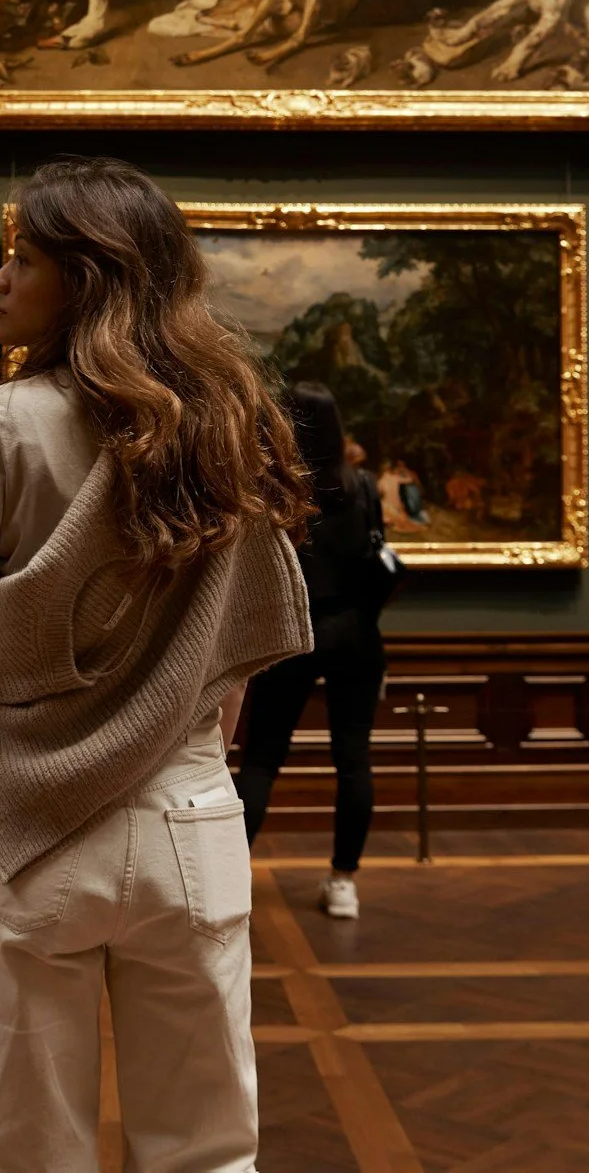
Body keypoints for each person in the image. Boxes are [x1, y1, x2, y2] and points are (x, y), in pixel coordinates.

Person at [0, 156, 314, 1173]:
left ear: (88, 278)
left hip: (28, 823)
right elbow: (233, 659)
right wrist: (185, 757)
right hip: (188, 818)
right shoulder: (229, 422)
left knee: (26, 1153)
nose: (0, 278)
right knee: (208, 1147)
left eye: (24, 257)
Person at [234, 383, 393, 920]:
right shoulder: (364, 486)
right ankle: (342, 881)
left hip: (290, 635)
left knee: (260, 762)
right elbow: (377, 558)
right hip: (354, 633)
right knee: (354, 761)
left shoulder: (273, 489)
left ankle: (229, 880)